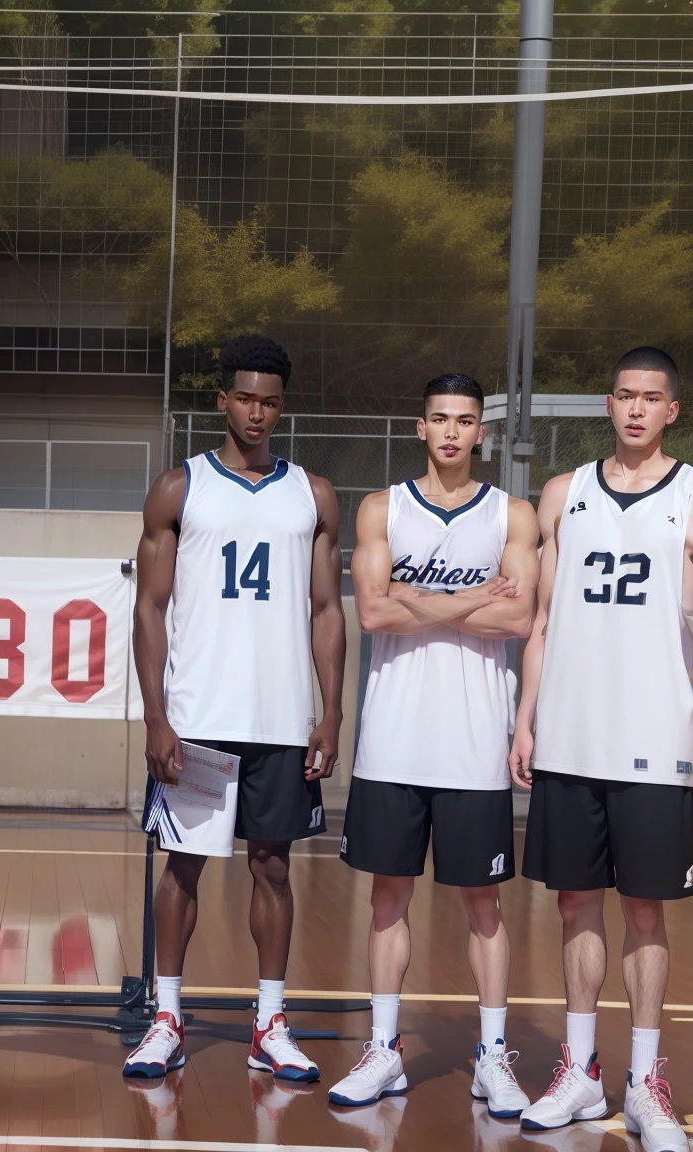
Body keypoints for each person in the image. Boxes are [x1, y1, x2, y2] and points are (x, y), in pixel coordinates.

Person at [125, 332, 345, 1081]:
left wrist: (332, 711)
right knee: (182, 868)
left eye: (271, 402)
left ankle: (270, 1022)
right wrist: (156, 716)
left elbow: (325, 610)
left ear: (284, 407)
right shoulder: (179, 488)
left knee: (273, 869)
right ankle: (166, 1019)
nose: (257, 412)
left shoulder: (311, 494)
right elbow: (149, 609)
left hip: (280, 718)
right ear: (222, 399)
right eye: (245, 398)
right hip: (199, 715)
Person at [329, 372, 538, 1113]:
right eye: (440, 418)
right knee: (389, 897)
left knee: (483, 905)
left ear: (482, 432)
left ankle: (491, 1057)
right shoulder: (381, 508)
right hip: (392, 739)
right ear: (420, 427)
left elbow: (516, 624)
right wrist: (473, 597)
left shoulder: (513, 515)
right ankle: (384, 1050)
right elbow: (374, 616)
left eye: (466, 420)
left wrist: (420, 599)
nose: (452, 432)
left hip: (475, 740)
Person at [510, 347, 693, 1152]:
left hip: (657, 737)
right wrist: (525, 718)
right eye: (624, 395)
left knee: (646, 911)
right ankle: (579, 1069)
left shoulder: (691, 496)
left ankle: (646, 1082)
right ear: (607, 403)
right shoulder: (563, 494)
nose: (636, 410)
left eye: (652, 399)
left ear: (672, 412)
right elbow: (542, 621)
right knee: (575, 902)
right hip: (573, 736)